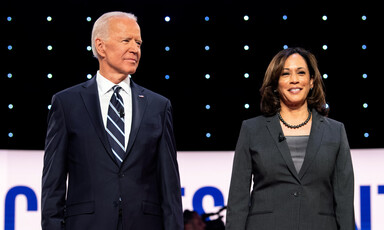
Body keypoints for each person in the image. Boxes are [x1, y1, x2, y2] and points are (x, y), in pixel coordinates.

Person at [41, 11, 183, 230]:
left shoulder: (158, 106)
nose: (135, 49)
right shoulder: (67, 103)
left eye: (138, 42)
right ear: (101, 47)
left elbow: (169, 185)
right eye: (126, 40)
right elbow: (53, 183)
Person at [226, 47, 355, 230]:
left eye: (301, 72)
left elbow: (344, 202)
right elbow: (237, 201)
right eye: (285, 74)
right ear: (276, 83)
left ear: (311, 81)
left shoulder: (335, 131)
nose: (294, 79)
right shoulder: (251, 130)